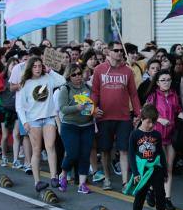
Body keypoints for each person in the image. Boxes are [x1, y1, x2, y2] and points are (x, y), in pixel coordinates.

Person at [92, 40, 142, 190]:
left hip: (123, 117)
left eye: (121, 50)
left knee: (124, 150)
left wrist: (138, 113)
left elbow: (133, 94)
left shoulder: (127, 71)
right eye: (116, 50)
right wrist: (93, 109)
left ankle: (125, 182)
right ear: (108, 51)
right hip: (104, 116)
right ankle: (107, 178)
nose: (119, 53)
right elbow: (94, 93)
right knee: (105, 150)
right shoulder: (99, 70)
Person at [16, 56, 67, 191]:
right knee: (37, 150)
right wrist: (25, 122)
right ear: (30, 68)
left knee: (50, 147)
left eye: (39, 66)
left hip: (49, 117)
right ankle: (37, 181)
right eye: (35, 66)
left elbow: (62, 81)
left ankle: (54, 177)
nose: (38, 69)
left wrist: (50, 71)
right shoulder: (25, 83)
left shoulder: (48, 78)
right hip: (33, 120)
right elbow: (19, 106)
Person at [145, 69, 183, 210]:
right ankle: (150, 190)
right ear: (157, 82)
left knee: (169, 167)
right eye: (163, 80)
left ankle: (167, 198)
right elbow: (146, 114)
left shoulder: (174, 95)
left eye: (168, 80)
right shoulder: (153, 96)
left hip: (171, 135)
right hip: (157, 136)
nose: (166, 82)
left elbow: (178, 109)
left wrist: (181, 115)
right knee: (158, 167)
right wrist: (159, 119)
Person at [128, 104, 169, 210]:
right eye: (148, 122)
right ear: (142, 119)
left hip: (155, 168)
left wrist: (165, 170)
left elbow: (160, 153)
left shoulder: (156, 134)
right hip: (142, 170)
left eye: (154, 122)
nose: (151, 125)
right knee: (140, 196)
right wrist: (135, 173)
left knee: (161, 194)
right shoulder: (135, 134)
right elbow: (131, 154)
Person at [57, 63, 96, 194]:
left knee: (85, 155)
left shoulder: (88, 88)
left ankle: (82, 183)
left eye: (79, 73)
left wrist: (95, 111)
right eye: (74, 74)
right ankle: (63, 175)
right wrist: (76, 108)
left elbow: (93, 106)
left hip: (87, 125)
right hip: (70, 125)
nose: (78, 76)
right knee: (72, 154)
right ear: (69, 76)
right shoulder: (65, 89)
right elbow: (62, 109)